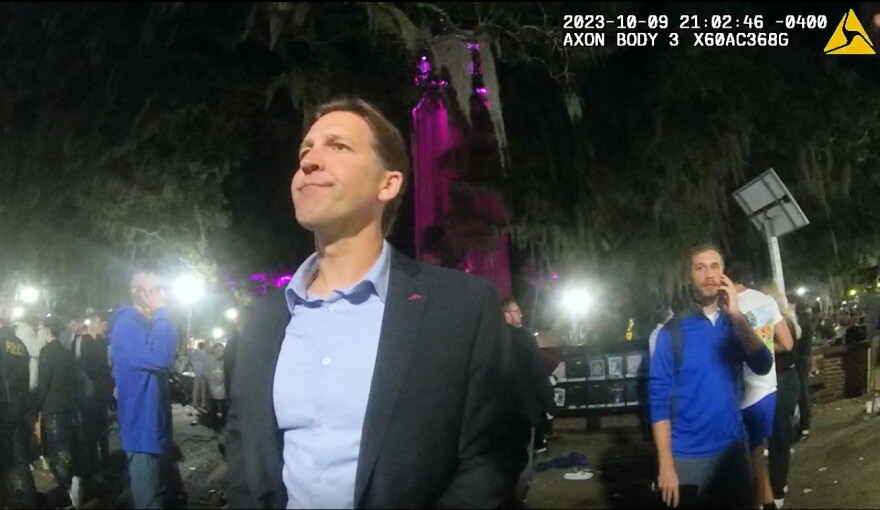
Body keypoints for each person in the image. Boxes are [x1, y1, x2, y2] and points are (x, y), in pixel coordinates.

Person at [227, 98, 524, 509]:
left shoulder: (461, 308)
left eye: (338, 146)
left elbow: (492, 455)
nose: (310, 161)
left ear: (389, 184)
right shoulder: (265, 319)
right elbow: (245, 447)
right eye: (305, 151)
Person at [650, 245, 773, 509]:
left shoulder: (735, 325)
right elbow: (658, 401)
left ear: (724, 274)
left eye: (715, 266)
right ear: (690, 277)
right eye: (700, 267)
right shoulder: (671, 334)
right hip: (687, 458)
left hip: (733, 452)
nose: (708, 274)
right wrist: (666, 464)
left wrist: (738, 316)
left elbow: (763, 364)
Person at [109, 259, 183, 509]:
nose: (163, 295)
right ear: (136, 292)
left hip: (155, 432)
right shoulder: (126, 326)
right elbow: (162, 356)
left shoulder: (143, 326)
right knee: (151, 501)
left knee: (167, 498)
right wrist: (162, 311)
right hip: (142, 434)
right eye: (156, 289)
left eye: (163, 289)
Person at [726, 270, 793, 510]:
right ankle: (768, 503)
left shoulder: (725, 306)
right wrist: (765, 345)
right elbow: (787, 342)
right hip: (767, 389)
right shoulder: (766, 300)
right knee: (757, 457)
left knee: (748, 465)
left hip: (740, 392)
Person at [36, 316, 88, 508]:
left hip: (52, 409)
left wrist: (37, 407)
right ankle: (74, 484)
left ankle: (67, 494)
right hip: (68, 408)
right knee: (67, 450)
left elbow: (43, 384)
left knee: (56, 454)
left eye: (41, 329)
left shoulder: (46, 352)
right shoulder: (66, 353)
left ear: (48, 330)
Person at [0, 311, 40, 508]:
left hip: (3, 410)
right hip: (19, 409)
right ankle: (30, 501)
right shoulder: (19, 344)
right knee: (21, 460)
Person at [79, 313, 114, 477]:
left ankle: (105, 463)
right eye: (101, 322)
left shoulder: (101, 341)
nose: (104, 325)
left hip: (100, 391)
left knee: (102, 430)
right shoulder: (85, 341)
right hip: (91, 392)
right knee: (92, 431)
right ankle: (94, 465)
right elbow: (90, 366)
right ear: (93, 323)